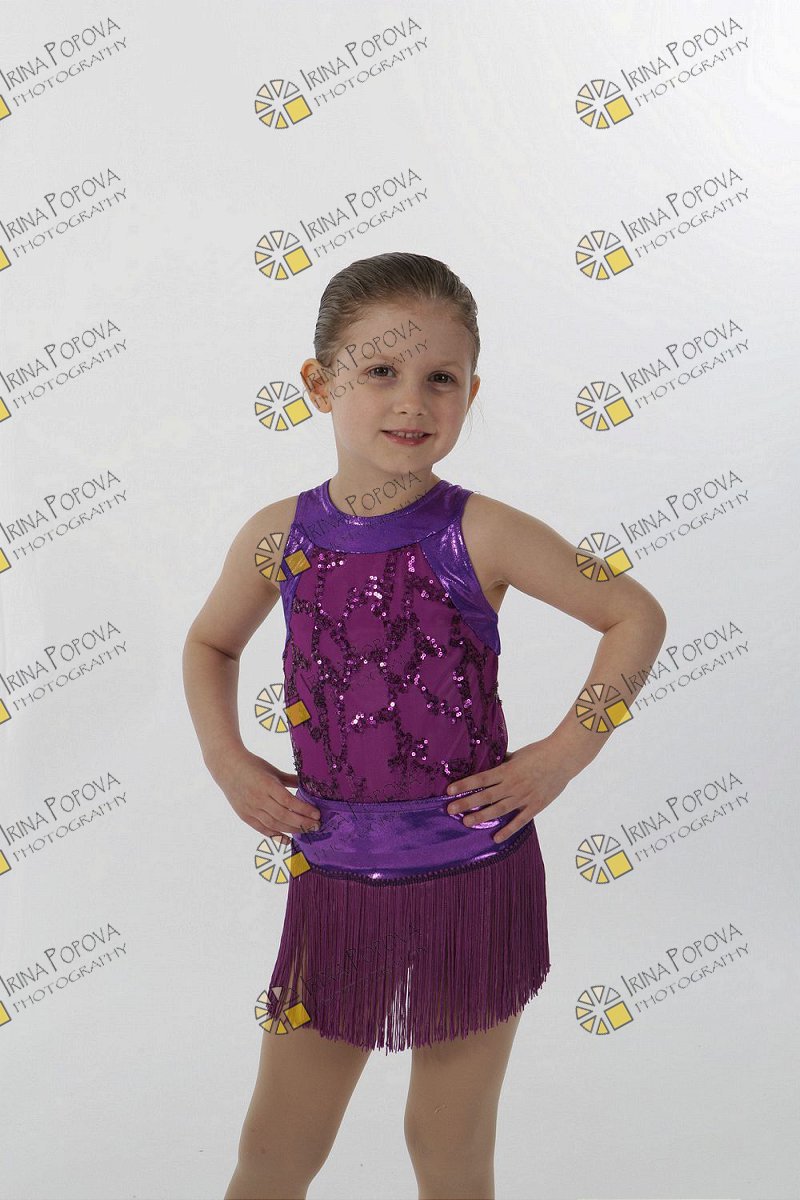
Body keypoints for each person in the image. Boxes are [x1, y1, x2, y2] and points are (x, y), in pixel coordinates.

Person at [182, 251, 667, 1200]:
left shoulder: (481, 531)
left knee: (447, 1146)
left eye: (441, 378)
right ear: (319, 383)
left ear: (471, 392)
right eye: (380, 371)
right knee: (278, 1146)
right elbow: (210, 643)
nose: (413, 401)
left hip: (477, 882)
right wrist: (225, 757)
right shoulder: (280, 535)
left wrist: (564, 755)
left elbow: (634, 616)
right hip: (336, 883)